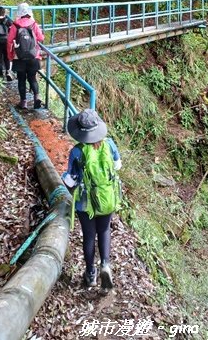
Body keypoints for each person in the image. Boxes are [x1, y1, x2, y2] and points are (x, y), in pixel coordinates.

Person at [63, 109, 122, 289]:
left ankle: (90, 274)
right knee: (104, 231)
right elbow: (117, 166)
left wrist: (64, 179)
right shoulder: (109, 144)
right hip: (107, 197)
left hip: (85, 202)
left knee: (89, 236)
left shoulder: (77, 152)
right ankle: (105, 264)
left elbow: (71, 180)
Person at [7, 2, 44, 109]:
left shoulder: (15, 25)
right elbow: (41, 38)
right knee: (32, 78)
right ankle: (37, 98)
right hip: (34, 56)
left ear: (18, 12)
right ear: (29, 12)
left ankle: (23, 102)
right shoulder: (33, 24)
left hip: (19, 57)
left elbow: (9, 41)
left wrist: (10, 56)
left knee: (21, 79)